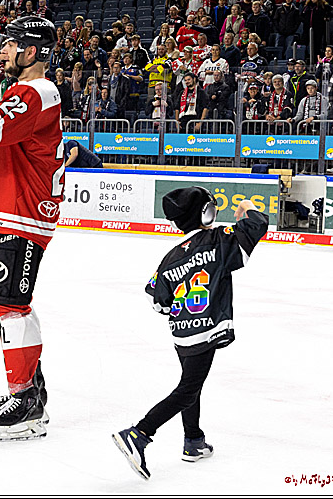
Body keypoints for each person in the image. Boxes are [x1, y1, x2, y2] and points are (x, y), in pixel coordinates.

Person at [113, 188, 269, 481]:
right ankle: (140, 433)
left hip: (182, 335)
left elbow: (155, 297)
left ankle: (193, 440)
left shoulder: (170, 257)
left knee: (191, 385)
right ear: (206, 213)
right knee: (187, 389)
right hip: (205, 332)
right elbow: (257, 225)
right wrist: (248, 206)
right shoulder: (218, 240)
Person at [0, 15, 63, 441]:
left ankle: (24, 402)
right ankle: (30, 391)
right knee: (15, 306)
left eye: (10, 45)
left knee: (9, 307)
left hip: (17, 217)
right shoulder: (27, 91)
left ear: (31, 52)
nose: (1, 52)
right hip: (10, 213)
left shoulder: (35, 91)